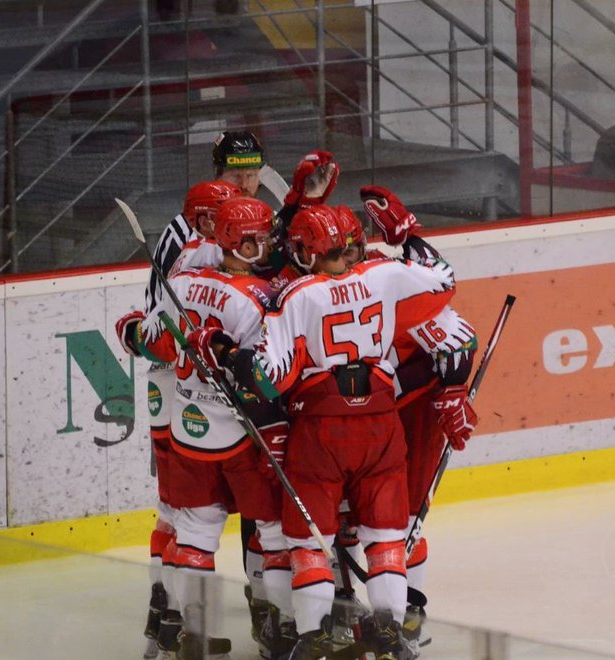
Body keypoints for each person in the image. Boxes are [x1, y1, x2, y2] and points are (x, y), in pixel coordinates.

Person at [193, 205, 473, 659]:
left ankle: (311, 636)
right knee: (385, 540)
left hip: (320, 430)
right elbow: (443, 278)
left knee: (307, 542)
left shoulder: (298, 295)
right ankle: (391, 634)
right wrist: (408, 236)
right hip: (381, 427)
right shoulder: (385, 275)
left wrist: (224, 354)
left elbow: (269, 376)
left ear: (309, 251)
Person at [138, 196, 296, 659]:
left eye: (266, 236)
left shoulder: (181, 284)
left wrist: (132, 327)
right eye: (254, 238)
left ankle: (193, 631)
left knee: (195, 531)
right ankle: (286, 626)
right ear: (229, 239)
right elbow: (266, 376)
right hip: (244, 435)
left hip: (192, 430)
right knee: (273, 532)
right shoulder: (259, 299)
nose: (264, 245)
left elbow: (150, 340)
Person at [114, 179, 241, 660]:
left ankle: (163, 616)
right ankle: (179, 621)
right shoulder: (204, 254)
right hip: (191, 389)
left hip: (162, 382)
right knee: (192, 511)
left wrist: (133, 331)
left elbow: (147, 328)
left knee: (171, 509)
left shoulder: (179, 247)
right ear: (207, 216)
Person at [358, 189, 478, 655]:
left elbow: (458, 343)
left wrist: (451, 393)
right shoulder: (340, 285)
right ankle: (363, 609)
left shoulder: (398, 285)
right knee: (360, 520)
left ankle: (408, 610)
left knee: (402, 519)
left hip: (411, 418)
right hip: (363, 418)